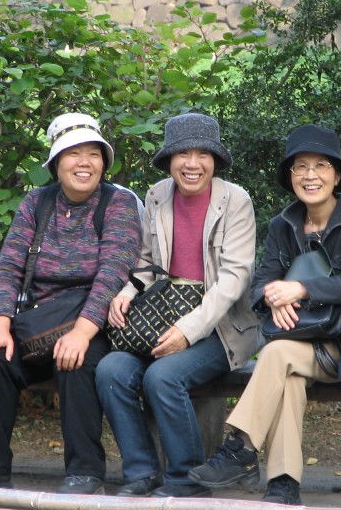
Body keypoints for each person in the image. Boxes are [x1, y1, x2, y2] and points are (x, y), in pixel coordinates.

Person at [187, 124, 341, 505]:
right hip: (295, 344)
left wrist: (302, 288)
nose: (310, 175)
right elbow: (260, 283)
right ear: (290, 176)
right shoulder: (282, 224)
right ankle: (283, 486)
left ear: (337, 175)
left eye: (321, 165)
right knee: (286, 378)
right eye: (300, 166)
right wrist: (273, 296)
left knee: (274, 353)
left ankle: (242, 447)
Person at [0, 113, 141, 494]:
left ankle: (85, 471)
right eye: (73, 153)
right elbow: (9, 268)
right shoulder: (37, 202)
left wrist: (81, 333)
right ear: (56, 163)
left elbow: (113, 273)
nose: (84, 163)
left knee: (74, 359)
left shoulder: (118, 203)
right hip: (38, 320)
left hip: (94, 321)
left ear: (104, 163)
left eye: (94, 154)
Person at [96, 112, 259, 499]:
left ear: (215, 161)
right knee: (111, 369)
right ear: (169, 160)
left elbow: (233, 279)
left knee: (163, 376)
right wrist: (128, 291)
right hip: (162, 315)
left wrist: (188, 332)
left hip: (220, 329)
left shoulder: (236, 201)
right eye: (183, 154)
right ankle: (142, 471)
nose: (192, 163)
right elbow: (147, 261)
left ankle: (187, 479)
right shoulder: (157, 195)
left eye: (203, 154)